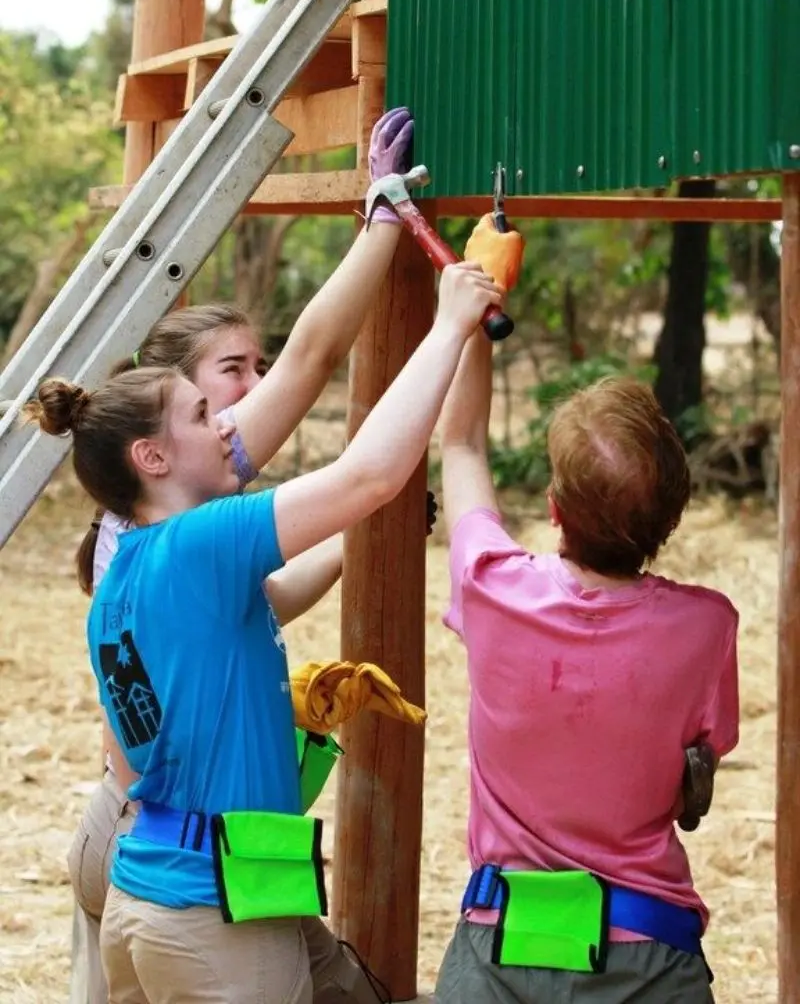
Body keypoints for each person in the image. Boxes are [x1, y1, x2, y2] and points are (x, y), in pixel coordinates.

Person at [28, 257, 502, 1004]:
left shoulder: (125, 575)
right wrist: (449, 326)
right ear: (151, 458)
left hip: (147, 893)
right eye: (199, 414)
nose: (226, 425)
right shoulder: (202, 542)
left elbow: (249, 620)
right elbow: (367, 475)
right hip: (212, 914)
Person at [68, 107, 419, 1004]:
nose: (240, 411)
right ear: (156, 439)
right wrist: (398, 241)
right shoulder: (189, 531)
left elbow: (251, 612)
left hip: (181, 844)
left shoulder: (147, 527)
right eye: (222, 382)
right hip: (173, 851)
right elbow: (318, 371)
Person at [436, 343, 739, 1004]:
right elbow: (699, 767)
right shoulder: (708, 627)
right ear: (673, 520)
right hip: (653, 956)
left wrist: (474, 328)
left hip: (502, 948)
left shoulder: (493, 590)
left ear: (553, 508)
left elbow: (459, 446)